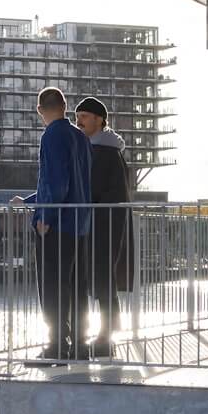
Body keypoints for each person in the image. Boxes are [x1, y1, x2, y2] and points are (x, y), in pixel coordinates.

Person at [14, 86, 93, 363]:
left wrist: (44, 217)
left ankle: (57, 345)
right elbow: (76, 183)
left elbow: (56, 182)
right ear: (64, 105)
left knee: (52, 285)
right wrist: (29, 200)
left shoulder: (52, 135)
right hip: (80, 224)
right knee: (76, 286)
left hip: (57, 225)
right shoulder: (80, 137)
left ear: (40, 110)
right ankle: (81, 346)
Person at [73, 97, 131, 358]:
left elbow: (94, 189)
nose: (79, 120)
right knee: (98, 278)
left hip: (103, 224)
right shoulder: (100, 148)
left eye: (84, 115)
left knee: (101, 278)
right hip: (101, 222)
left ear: (99, 120)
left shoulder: (104, 151)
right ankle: (102, 335)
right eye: (78, 115)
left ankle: (105, 336)